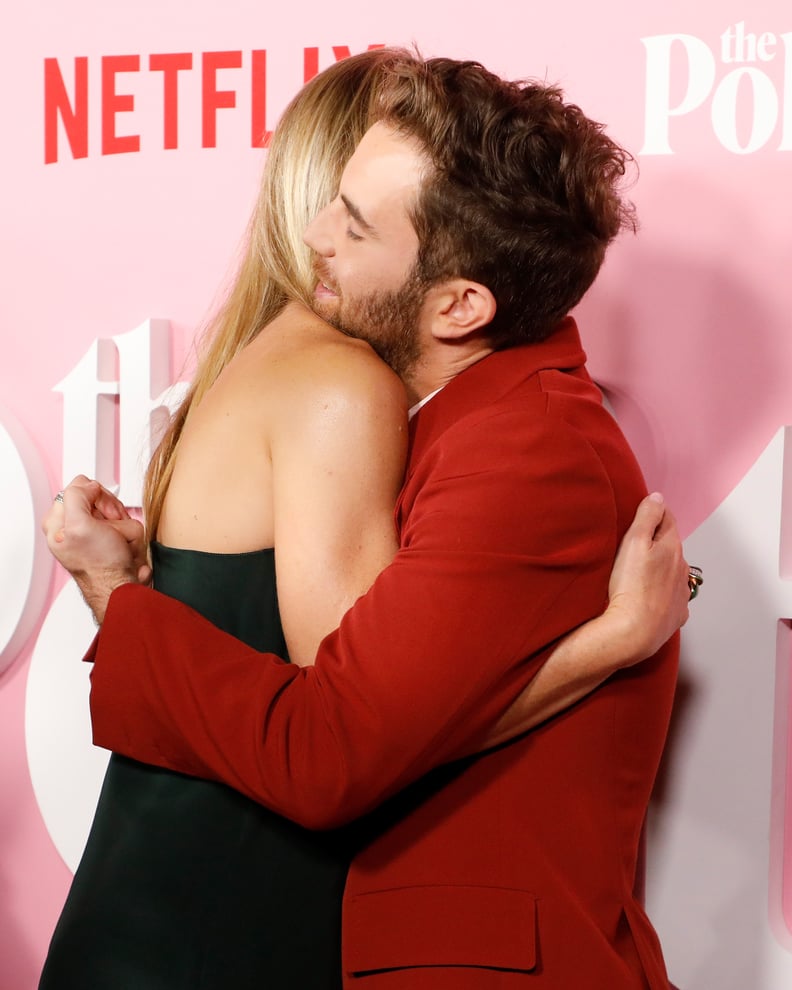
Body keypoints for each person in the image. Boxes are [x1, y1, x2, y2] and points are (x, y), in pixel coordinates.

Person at [43, 50, 691, 989]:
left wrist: (117, 594)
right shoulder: (433, 413)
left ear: (461, 304)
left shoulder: (526, 451)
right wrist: (607, 642)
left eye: (352, 222)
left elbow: (329, 755)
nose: (311, 234)